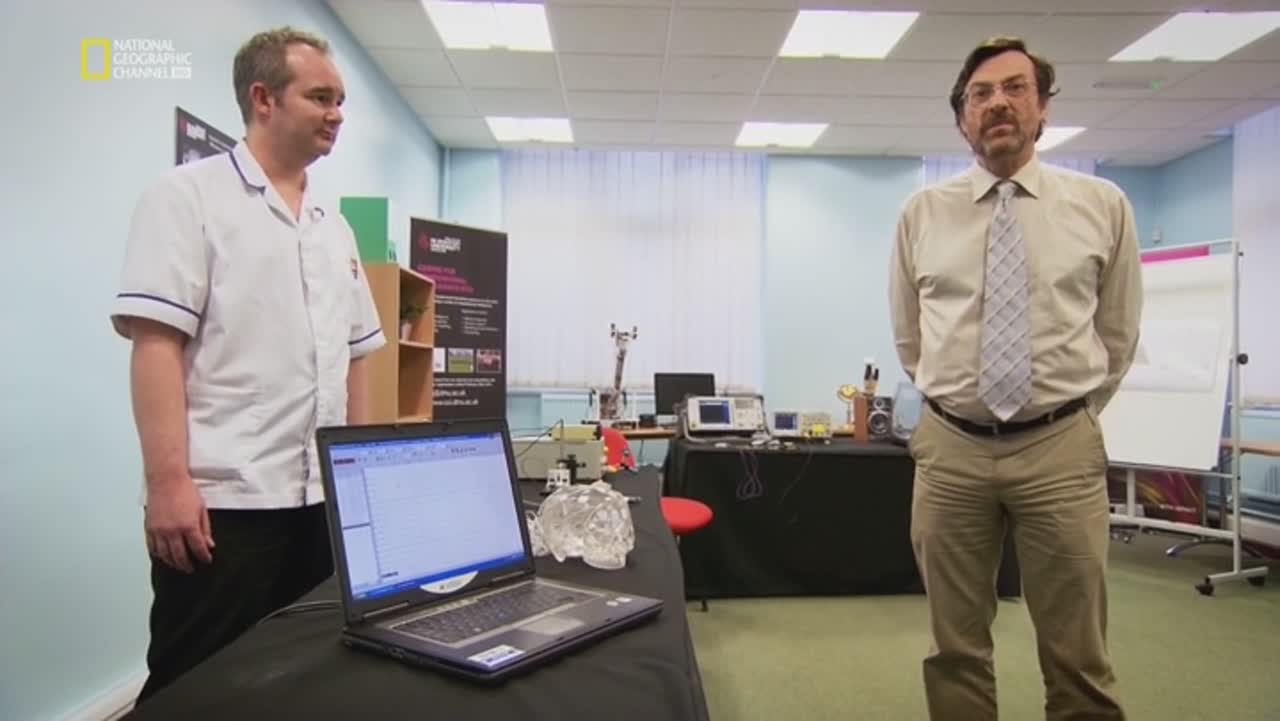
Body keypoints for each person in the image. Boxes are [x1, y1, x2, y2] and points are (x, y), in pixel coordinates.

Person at [110, 27, 384, 703]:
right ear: (263, 99)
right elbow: (155, 345)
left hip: (319, 503)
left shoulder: (335, 228)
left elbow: (357, 358)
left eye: (341, 101)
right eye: (320, 97)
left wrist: (361, 477)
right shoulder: (186, 198)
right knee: (195, 683)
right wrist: (168, 483)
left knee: (305, 679)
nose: (336, 114)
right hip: (223, 505)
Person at [888, 36, 1142, 721]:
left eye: (1015, 87)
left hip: (1058, 450)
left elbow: (1117, 335)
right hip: (951, 452)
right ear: (961, 119)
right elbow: (911, 339)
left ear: (1043, 108)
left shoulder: (1102, 205)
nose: (997, 102)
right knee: (954, 647)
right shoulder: (921, 214)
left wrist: (1066, 414)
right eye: (981, 93)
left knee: (1078, 652)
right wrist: (959, 404)